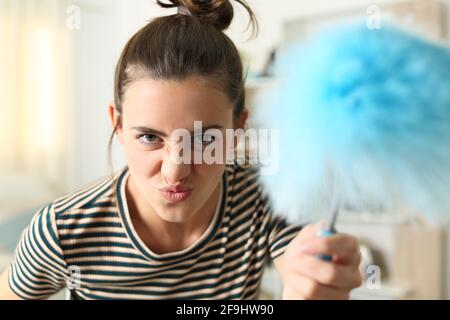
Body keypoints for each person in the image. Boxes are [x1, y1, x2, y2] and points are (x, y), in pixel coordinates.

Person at [0, 0, 362, 300]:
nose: (176, 171)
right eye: (149, 137)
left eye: (204, 139)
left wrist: (314, 284)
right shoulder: (63, 229)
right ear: (118, 125)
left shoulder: (267, 197)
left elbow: (303, 276)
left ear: (237, 129)